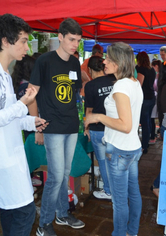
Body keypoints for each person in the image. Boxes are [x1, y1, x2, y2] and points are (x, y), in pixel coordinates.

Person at [0, 14, 48, 236]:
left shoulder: (4, 74)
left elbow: (8, 117)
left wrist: (30, 121)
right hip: (3, 157)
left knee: (11, 211)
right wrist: (23, 104)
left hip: (11, 154)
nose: (27, 46)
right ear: (6, 41)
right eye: (24, 40)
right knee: (24, 212)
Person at [28, 18, 85, 236]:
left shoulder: (73, 63)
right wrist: (37, 125)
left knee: (65, 173)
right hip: (51, 126)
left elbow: (75, 94)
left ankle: (62, 213)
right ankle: (44, 223)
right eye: (71, 39)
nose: (74, 44)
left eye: (78, 41)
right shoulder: (44, 61)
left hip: (71, 124)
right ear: (60, 37)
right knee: (55, 175)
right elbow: (31, 95)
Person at [84, 42, 143, 236]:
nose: (104, 61)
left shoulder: (121, 87)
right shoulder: (133, 82)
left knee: (119, 201)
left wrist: (98, 117)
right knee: (133, 193)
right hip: (132, 148)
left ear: (118, 63)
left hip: (120, 150)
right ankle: (131, 232)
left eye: (108, 59)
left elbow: (125, 125)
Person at [84, 56, 116, 200]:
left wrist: (86, 127)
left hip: (98, 129)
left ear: (89, 70)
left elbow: (89, 111)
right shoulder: (114, 81)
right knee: (115, 160)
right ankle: (117, 189)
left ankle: (109, 191)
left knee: (103, 161)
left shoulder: (90, 86)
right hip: (114, 126)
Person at [136, 51, 156, 154]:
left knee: (143, 122)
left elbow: (139, 84)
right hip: (151, 97)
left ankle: (143, 145)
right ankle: (146, 143)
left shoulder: (141, 69)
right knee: (147, 121)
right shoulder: (152, 69)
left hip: (144, 98)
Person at [150, 60, 161, 144]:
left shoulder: (158, 75)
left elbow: (156, 88)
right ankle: (155, 134)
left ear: (156, 66)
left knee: (152, 118)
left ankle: (153, 136)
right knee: (153, 118)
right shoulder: (157, 75)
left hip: (156, 98)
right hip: (156, 97)